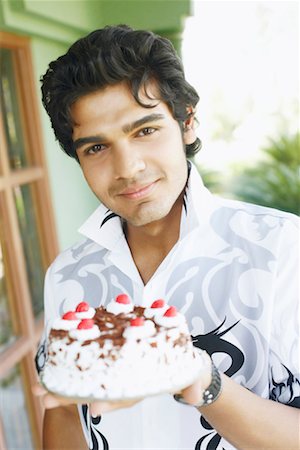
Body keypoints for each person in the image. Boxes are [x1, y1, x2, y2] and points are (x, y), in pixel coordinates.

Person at [34, 24, 299, 450]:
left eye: (145, 130)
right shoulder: (67, 274)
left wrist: (202, 380)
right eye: (96, 148)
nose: (128, 167)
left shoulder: (285, 249)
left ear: (187, 122)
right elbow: (64, 411)